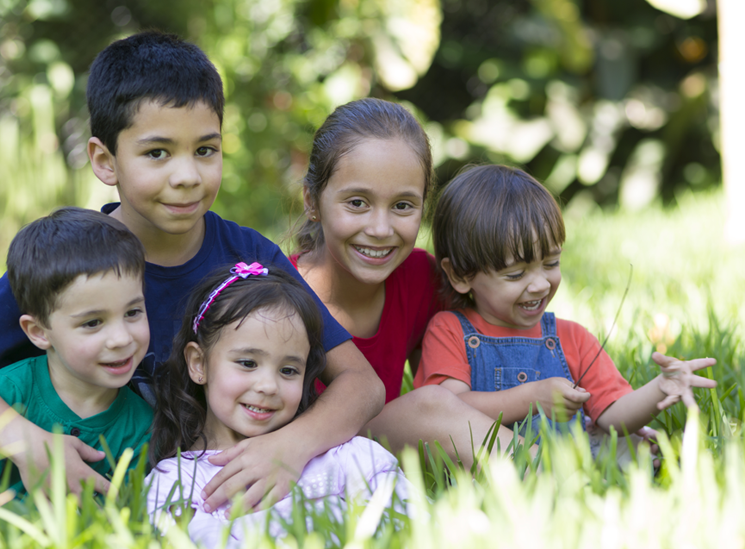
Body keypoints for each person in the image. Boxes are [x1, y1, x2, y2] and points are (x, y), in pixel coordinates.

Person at [0, 31, 383, 513]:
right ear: (105, 161)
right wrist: (25, 442)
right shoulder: (74, 261)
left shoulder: (248, 259)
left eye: (205, 150)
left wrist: (291, 446)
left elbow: (361, 384)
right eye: (157, 153)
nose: (187, 176)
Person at [290, 98, 526, 464]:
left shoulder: (420, 278)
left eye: (402, 206)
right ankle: (563, 476)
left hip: (377, 449)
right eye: (357, 203)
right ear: (312, 201)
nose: (381, 229)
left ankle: (572, 459)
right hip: (297, 453)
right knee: (429, 408)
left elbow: (475, 382)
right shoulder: (277, 295)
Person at [415, 164, 717, 440]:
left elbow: (614, 414)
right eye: (516, 273)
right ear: (460, 275)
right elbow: (447, 412)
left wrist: (660, 388)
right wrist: (533, 397)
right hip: (489, 470)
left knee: (633, 441)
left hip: (568, 466)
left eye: (551, 263)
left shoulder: (572, 339)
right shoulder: (449, 331)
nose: (541, 284)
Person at [0, 207, 154, 522]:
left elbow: (125, 516)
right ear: (39, 332)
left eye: (133, 313)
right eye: (93, 322)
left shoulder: (142, 425)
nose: (121, 338)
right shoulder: (10, 390)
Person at [146, 263, 409, 548]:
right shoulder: (178, 482)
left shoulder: (347, 456)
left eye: (288, 370)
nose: (269, 386)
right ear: (199, 363)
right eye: (248, 363)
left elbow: (413, 524)